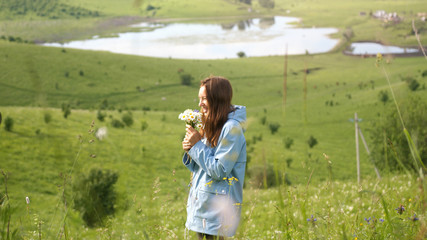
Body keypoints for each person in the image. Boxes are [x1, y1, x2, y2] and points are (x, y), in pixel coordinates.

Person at [182, 76, 247, 239]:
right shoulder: (212, 124)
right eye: (199, 98)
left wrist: (197, 146)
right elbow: (202, 168)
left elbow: (219, 170)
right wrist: (191, 149)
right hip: (203, 209)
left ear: (217, 98)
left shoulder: (232, 129)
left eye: (204, 98)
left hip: (218, 214)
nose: (200, 104)